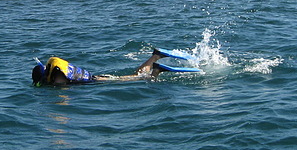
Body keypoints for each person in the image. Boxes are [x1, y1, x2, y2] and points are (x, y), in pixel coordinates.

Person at [32, 48, 189, 86]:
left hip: (96, 80)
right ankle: (155, 57)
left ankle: (156, 69)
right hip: (94, 77)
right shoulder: (55, 67)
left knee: (133, 79)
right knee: (134, 76)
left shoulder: (56, 75)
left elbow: (62, 86)